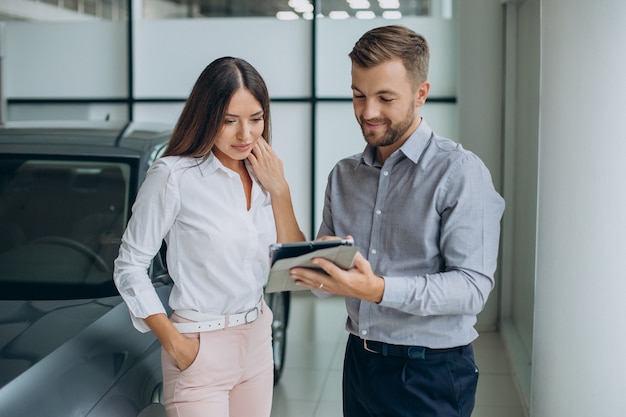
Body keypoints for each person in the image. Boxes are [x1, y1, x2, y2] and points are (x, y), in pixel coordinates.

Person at [289, 25, 505, 417]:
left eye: (385, 98)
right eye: (358, 95)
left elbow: (472, 287)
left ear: (421, 93)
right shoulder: (344, 176)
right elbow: (324, 284)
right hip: (360, 362)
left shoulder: (459, 173)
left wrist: (379, 290)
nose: (368, 112)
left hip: (430, 371)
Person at [113, 57, 304, 417]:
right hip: (199, 347)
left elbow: (294, 260)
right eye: (229, 121)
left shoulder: (266, 174)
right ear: (206, 116)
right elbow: (129, 266)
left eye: (255, 119)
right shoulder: (174, 176)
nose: (245, 135)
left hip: (257, 340)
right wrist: (176, 344)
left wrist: (280, 191)